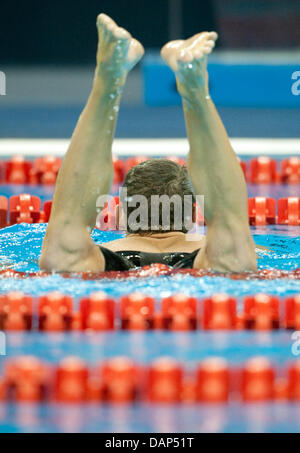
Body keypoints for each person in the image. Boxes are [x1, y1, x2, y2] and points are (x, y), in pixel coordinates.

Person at [39, 13, 257, 273]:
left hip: (113, 264)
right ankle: (196, 91)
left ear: (123, 213)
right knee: (234, 253)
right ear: (191, 214)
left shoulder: (109, 246)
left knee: (65, 253)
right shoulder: (211, 244)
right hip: (199, 263)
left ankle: (107, 82)